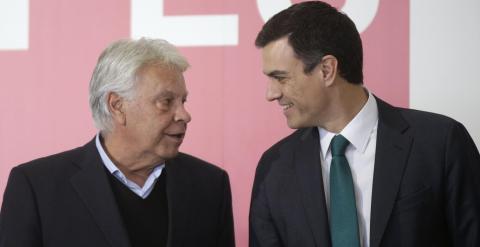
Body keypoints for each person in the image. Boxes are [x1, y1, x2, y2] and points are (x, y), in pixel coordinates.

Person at [249, 1, 480, 247]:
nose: (271, 94)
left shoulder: (440, 144)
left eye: (280, 78)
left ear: (327, 70)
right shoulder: (274, 169)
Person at [0, 38, 235, 247]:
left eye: (183, 101)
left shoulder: (210, 185)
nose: (184, 115)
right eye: (166, 101)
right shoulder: (37, 187)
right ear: (117, 106)